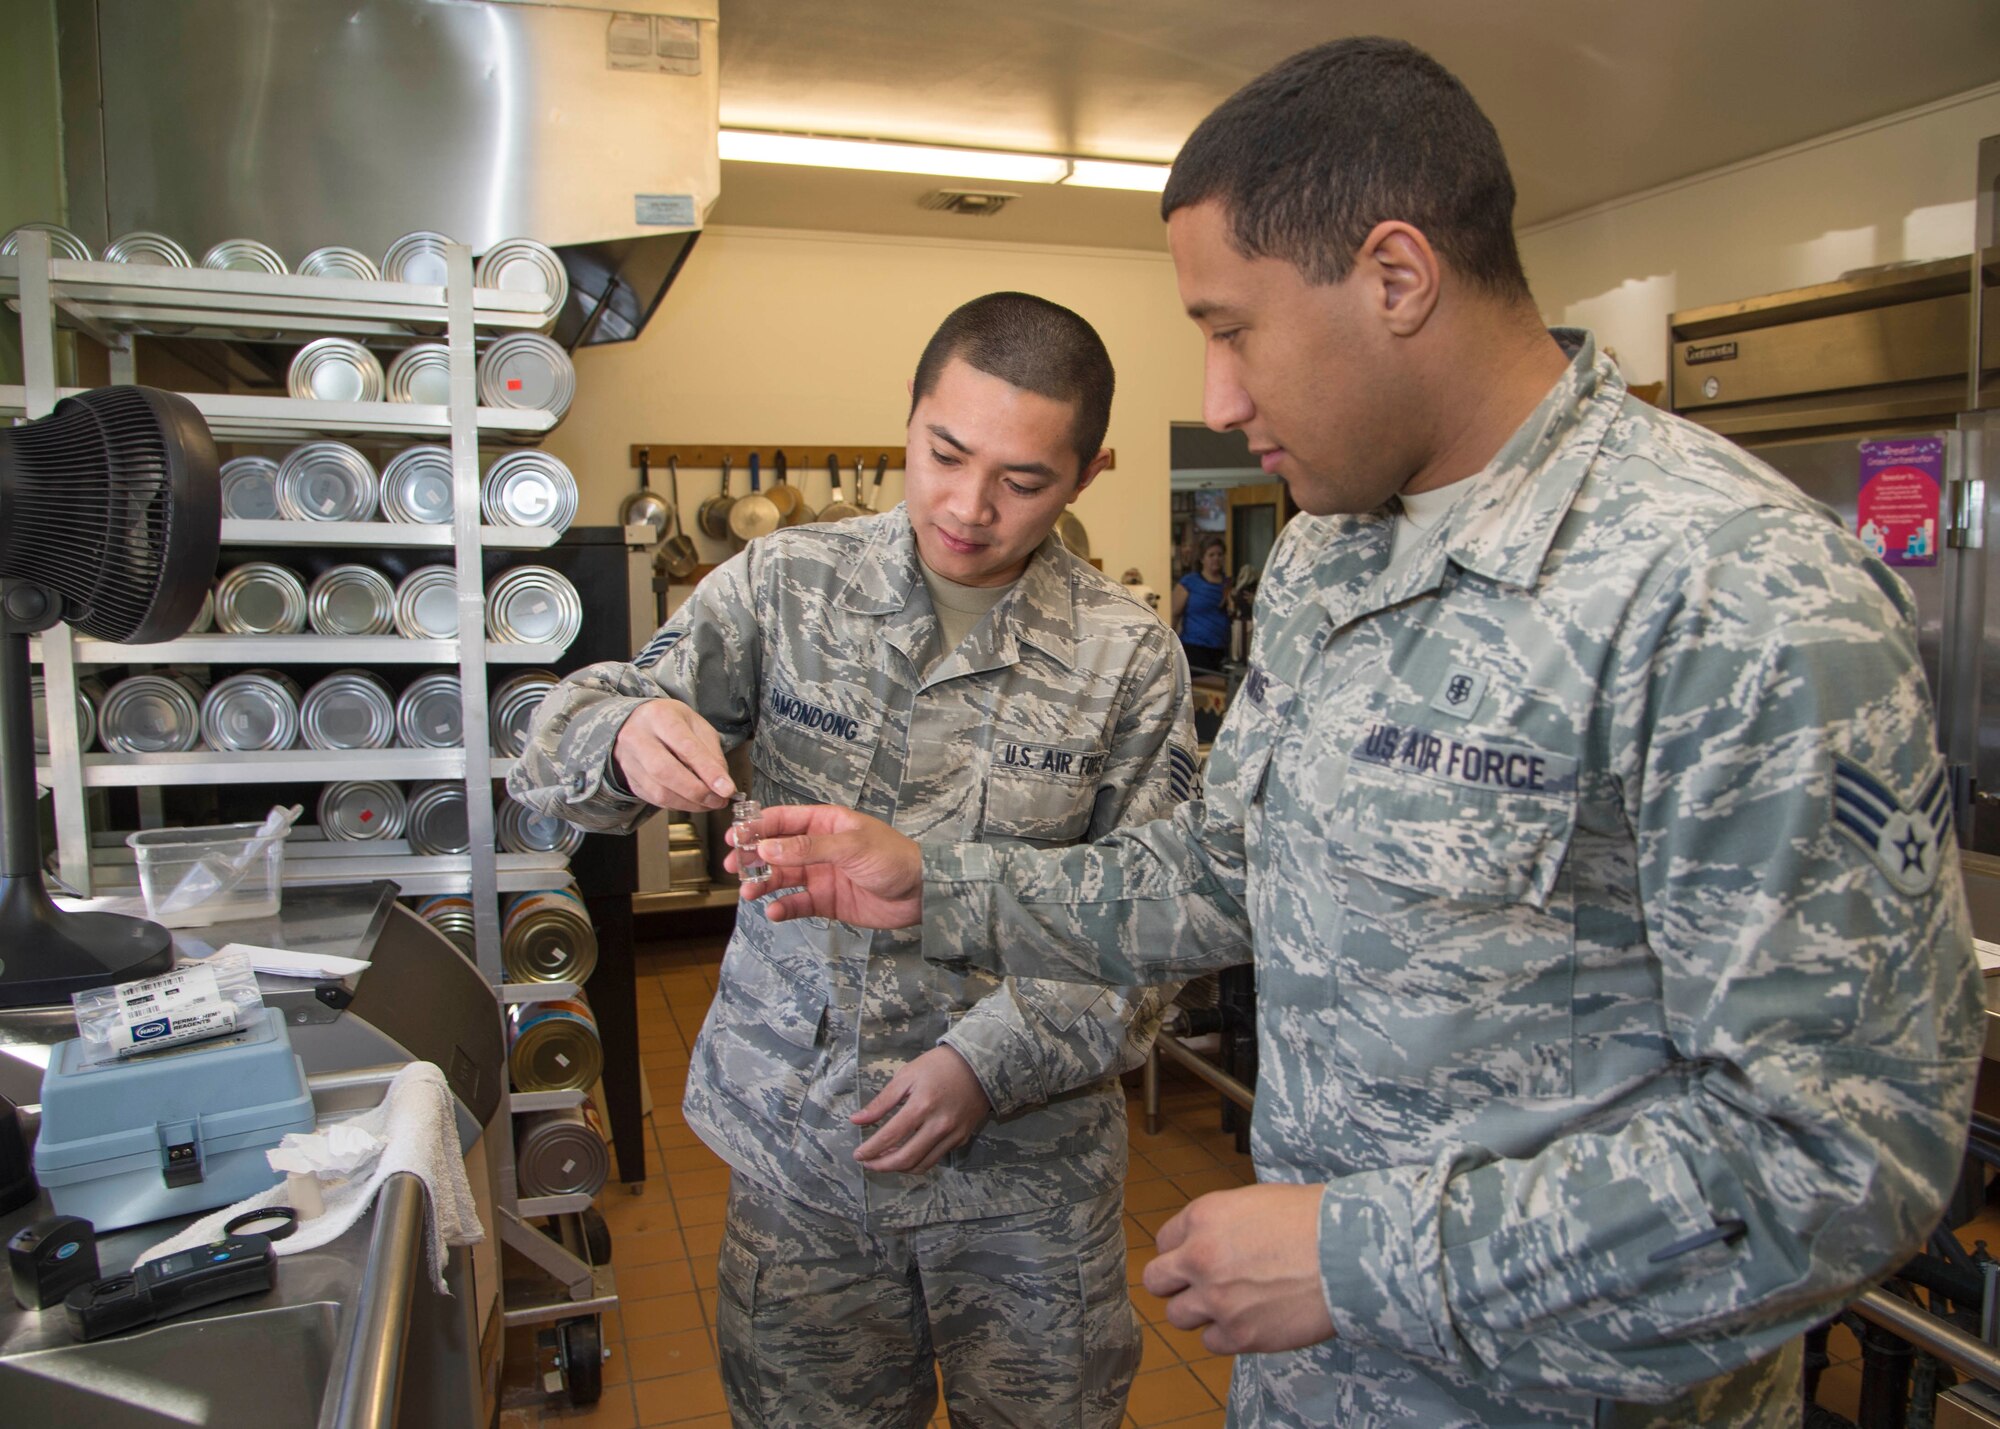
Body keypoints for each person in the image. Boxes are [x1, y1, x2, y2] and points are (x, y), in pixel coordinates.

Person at [727, 38, 1983, 1429]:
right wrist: (939, 884)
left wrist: (1358, 1257)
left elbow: (1845, 1149)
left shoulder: (1730, 592)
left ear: (1396, 277)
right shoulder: (1335, 551)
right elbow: (1222, 873)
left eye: (1229, 328)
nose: (1214, 397)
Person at [509, 291, 1197, 1428]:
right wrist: (621, 737)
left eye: (1023, 480)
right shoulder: (785, 586)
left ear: (1087, 472)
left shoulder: (1126, 658)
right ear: (911, 419)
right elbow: (563, 731)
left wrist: (988, 1062)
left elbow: (1155, 921)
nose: (968, 507)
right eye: (944, 453)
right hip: (804, 1160)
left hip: (1025, 1186)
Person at [1173, 533, 1232, 671]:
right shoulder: (1189, 582)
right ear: (1202, 559)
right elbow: (1174, 615)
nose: (1216, 559)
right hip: (1194, 649)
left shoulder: (1228, 585)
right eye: (1211, 555)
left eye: (1219, 554)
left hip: (1221, 650)